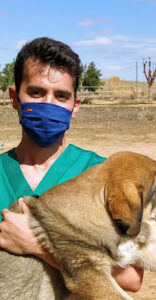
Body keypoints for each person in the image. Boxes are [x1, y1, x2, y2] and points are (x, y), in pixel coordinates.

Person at [0, 37, 144, 291]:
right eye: (36, 92)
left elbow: (131, 278)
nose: (48, 104)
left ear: (75, 105)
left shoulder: (102, 173)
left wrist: (38, 245)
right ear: (15, 97)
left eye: (61, 96)